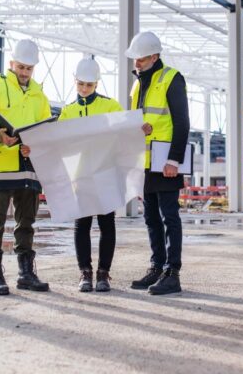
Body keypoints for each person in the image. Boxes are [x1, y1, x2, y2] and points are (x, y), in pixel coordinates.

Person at [0, 39, 51, 295]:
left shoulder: (39, 97)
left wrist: (36, 145)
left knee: (26, 223)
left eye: (29, 68)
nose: (24, 72)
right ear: (11, 63)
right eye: (21, 66)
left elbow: (45, 131)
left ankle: (26, 273)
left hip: (29, 167)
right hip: (1, 165)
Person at [126, 32, 190, 295]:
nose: (136, 63)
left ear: (154, 56)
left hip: (165, 162)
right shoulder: (137, 85)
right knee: (151, 218)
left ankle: (172, 273)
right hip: (146, 163)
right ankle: (157, 266)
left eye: (140, 58)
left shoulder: (171, 79)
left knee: (169, 217)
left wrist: (174, 159)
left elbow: (182, 121)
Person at [58, 57, 123, 292]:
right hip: (81, 177)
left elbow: (122, 136)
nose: (84, 89)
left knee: (107, 225)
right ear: (75, 81)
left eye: (89, 85)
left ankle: (103, 274)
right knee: (82, 224)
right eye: (81, 84)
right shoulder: (68, 112)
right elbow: (60, 145)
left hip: (106, 174)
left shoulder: (111, 106)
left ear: (97, 84)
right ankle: (85, 273)